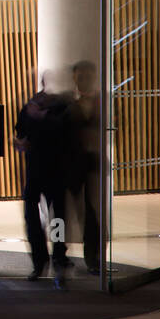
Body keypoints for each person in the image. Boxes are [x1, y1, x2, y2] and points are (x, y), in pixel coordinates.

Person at [14, 68, 78, 288]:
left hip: (56, 171)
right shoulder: (32, 105)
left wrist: (41, 118)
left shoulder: (65, 107)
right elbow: (20, 133)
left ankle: (59, 257)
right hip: (35, 170)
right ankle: (39, 260)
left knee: (57, 218)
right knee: (32, 217)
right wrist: (21, 143)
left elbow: (67, 132)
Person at [68, 59, 101, 275]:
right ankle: (62, 254)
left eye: (88, 76)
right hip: (71, 163)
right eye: (80, 76)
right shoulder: (67, 102)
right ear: (74, 78)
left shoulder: (102, 101)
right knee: (69, 209)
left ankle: (93, 258)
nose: (84, 80)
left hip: (94, 162)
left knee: (91, 211)